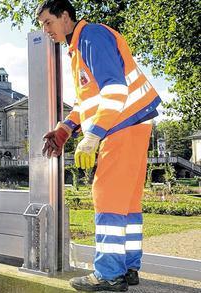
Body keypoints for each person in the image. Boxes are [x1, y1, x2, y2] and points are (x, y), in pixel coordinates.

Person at [37, 0, 161, 291]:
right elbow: (88, 102)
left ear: (65, 16)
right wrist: (65, 129)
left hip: (122, 126)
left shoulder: (90, 37)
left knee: (106, 196)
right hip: (132, 125)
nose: (46, 31)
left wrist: (92, 137)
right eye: (42, 26)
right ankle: (128, 267)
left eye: (48, 23)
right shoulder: (80, 47)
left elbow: (115, 90)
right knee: (126, 202)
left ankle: (108, 274)